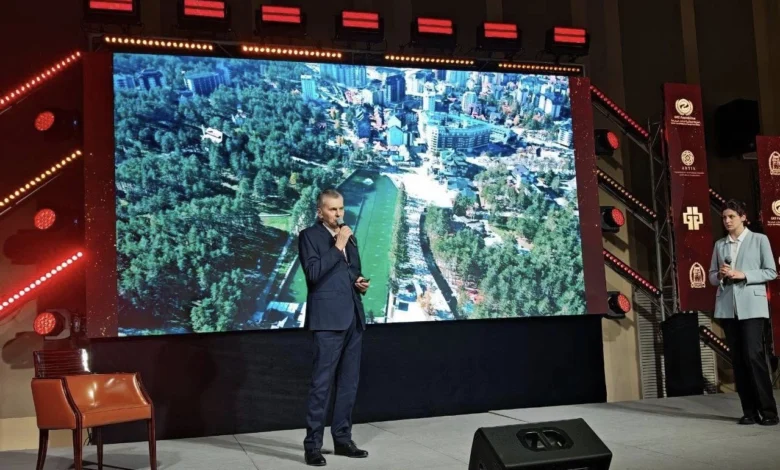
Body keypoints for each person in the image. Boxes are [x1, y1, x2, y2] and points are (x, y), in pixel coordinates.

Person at [298, 188, 371, 466]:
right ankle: (313, 446)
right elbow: (314, 274)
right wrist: (338, 245)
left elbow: (351, 271)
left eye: (341, 208)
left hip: (353, 318)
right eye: (332, 209)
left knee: (349, 384)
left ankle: (342, 439)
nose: (338, 214)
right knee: (321, 385)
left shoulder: (349, 235)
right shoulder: (309, 236)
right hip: (328, 321)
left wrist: (359, 282)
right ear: (320, 211)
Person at [708, 199, 778, 426]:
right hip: (728, 308)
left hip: (752, 307)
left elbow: (771, 272)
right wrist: (720, 275)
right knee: (738, 360)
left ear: (743, 217)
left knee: (753, 356)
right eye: (724, 217)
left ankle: (769, 412)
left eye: (732, 217)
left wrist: (744, 274)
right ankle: (749, 412)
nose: (727, 221)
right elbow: (711, 277)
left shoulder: (759, 240)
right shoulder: (720, 245)